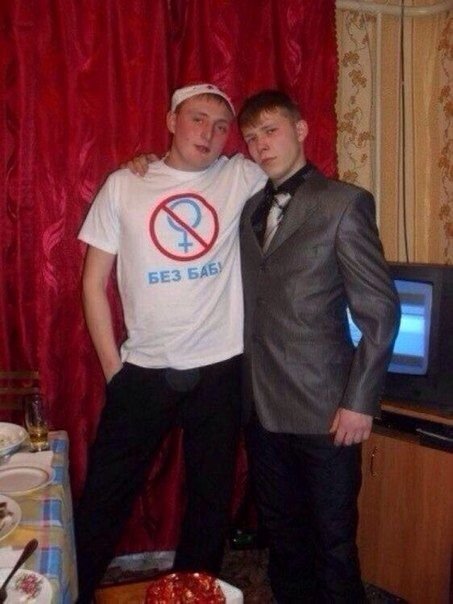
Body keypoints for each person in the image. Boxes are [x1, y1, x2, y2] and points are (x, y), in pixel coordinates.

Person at [75, 83, 266, 603]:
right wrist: (113, 370)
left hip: (220, 369)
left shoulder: (240, 176)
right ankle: (73, 591)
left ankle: (192, 595)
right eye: (197, 118)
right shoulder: (124, 184)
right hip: (144, 369)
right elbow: (93, 283)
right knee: (105, 496)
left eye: (221, 126)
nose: (209, 133)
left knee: (210, 501)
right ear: (171, 121)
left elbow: (288, 168)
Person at [237, 90, 401, 603]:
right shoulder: (250, 209)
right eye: (251, 138)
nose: (261, 146)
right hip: (262, 408)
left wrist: (360, 401)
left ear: (301, 130)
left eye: (270, 131)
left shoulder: (343, 204)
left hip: (326, 410)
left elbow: (380, 312)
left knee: (333, 543)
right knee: (283, 539)